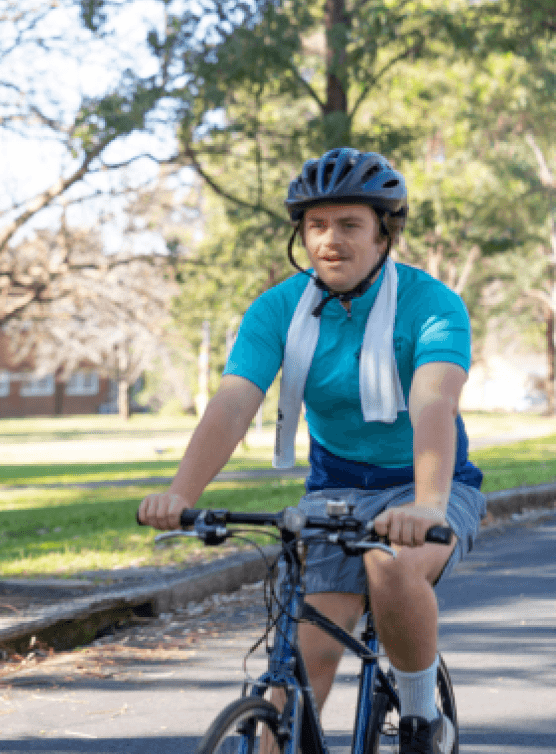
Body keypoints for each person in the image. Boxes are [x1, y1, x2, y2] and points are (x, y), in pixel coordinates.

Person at [137, 148, 484, 754]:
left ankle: (422, 720)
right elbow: (233, 403)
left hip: (427, 485)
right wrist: (180, 496)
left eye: (350, 225)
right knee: (306, 660)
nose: (330, 241)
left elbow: (434, 406)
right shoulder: (278, 309)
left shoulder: (433, 306)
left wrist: (428, 504)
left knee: (392, 565)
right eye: (316, 225)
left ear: (384, 234)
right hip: (335, 489)